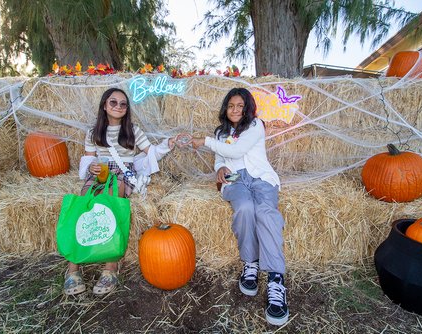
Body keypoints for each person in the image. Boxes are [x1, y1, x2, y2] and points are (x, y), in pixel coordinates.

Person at [65, 87, 179, 296]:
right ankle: (73, 266)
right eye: (113, 102)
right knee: (84, 202)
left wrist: (167, 145)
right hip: (101, 171)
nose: (118, 106)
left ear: (127, 109)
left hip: (122, 174)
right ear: (104, 106)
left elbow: (151, 152)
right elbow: (89, 158)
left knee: (113, 199)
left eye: (123, 104)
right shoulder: (92, 132)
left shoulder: (133, 131)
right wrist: (91, 167)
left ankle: (110, 266)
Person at [190, 87, 289, 326]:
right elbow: (222, 159)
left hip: (260, 177)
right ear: (226, 108)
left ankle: (276, 279)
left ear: (248, 109)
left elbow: (237, 150)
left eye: (240, 106)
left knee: (265, 212)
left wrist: (204, 141)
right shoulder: (220, 132)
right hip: (235, 178)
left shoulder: (256, 125)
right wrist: (219, 169)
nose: (235, 110)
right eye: (231, 106)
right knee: (244, 208)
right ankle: (251, 264)